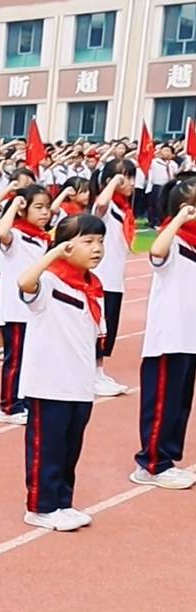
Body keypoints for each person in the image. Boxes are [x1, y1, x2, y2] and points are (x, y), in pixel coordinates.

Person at [15, 213, 106, 532]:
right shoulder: (50, 281)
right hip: (49, 382)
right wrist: (53, 253)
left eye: (100, 241)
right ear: (67, 246)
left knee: (70, 446)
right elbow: (25, 282)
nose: (97, 248)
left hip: (79, 382)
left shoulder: (94, 286)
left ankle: (62, 502)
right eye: (89, 241)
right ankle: (40, 506)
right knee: (47, 446)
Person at [132, 179, 196, 490]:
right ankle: (151, 464)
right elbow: (156, 251)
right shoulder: (173, 242)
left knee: (180, 403)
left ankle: (168, 458)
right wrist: (178, 220)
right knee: (161, 403)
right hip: (169, 336)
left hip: (190, 336)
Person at [0, 185, 53, 425]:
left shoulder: (42, 239)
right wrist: (15, 204)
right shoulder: (15, 236)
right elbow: (1, 231)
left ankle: (24, 399)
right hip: (17, 310)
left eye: (47, 208)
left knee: (32, 358)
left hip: (35, 308)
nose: (45, 212)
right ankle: (8, 406)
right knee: (15, 359)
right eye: (38, 207)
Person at [90, 159, 136, 398]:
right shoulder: (106, 208)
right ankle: (93, 374)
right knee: (100, 328)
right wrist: (113, 182)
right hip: (101, 278)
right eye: (124, 178)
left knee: (109, 327)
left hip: (115, 278)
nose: (130, 183)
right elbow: (100, 203)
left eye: (131, 177)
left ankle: (98, 371)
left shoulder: (124, 209)